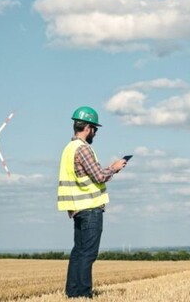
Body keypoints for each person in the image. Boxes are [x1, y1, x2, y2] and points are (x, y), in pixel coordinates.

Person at [57, 106, 127, 299]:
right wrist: (114, 168)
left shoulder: (68, 149)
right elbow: (98, 176)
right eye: (95, 128)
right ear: (87, 127)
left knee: (78, 252)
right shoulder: (83, 148)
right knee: (88, 254)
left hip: (76, 209)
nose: (95, 132)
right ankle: (84, 293)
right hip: (90, 208)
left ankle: (73, 292)